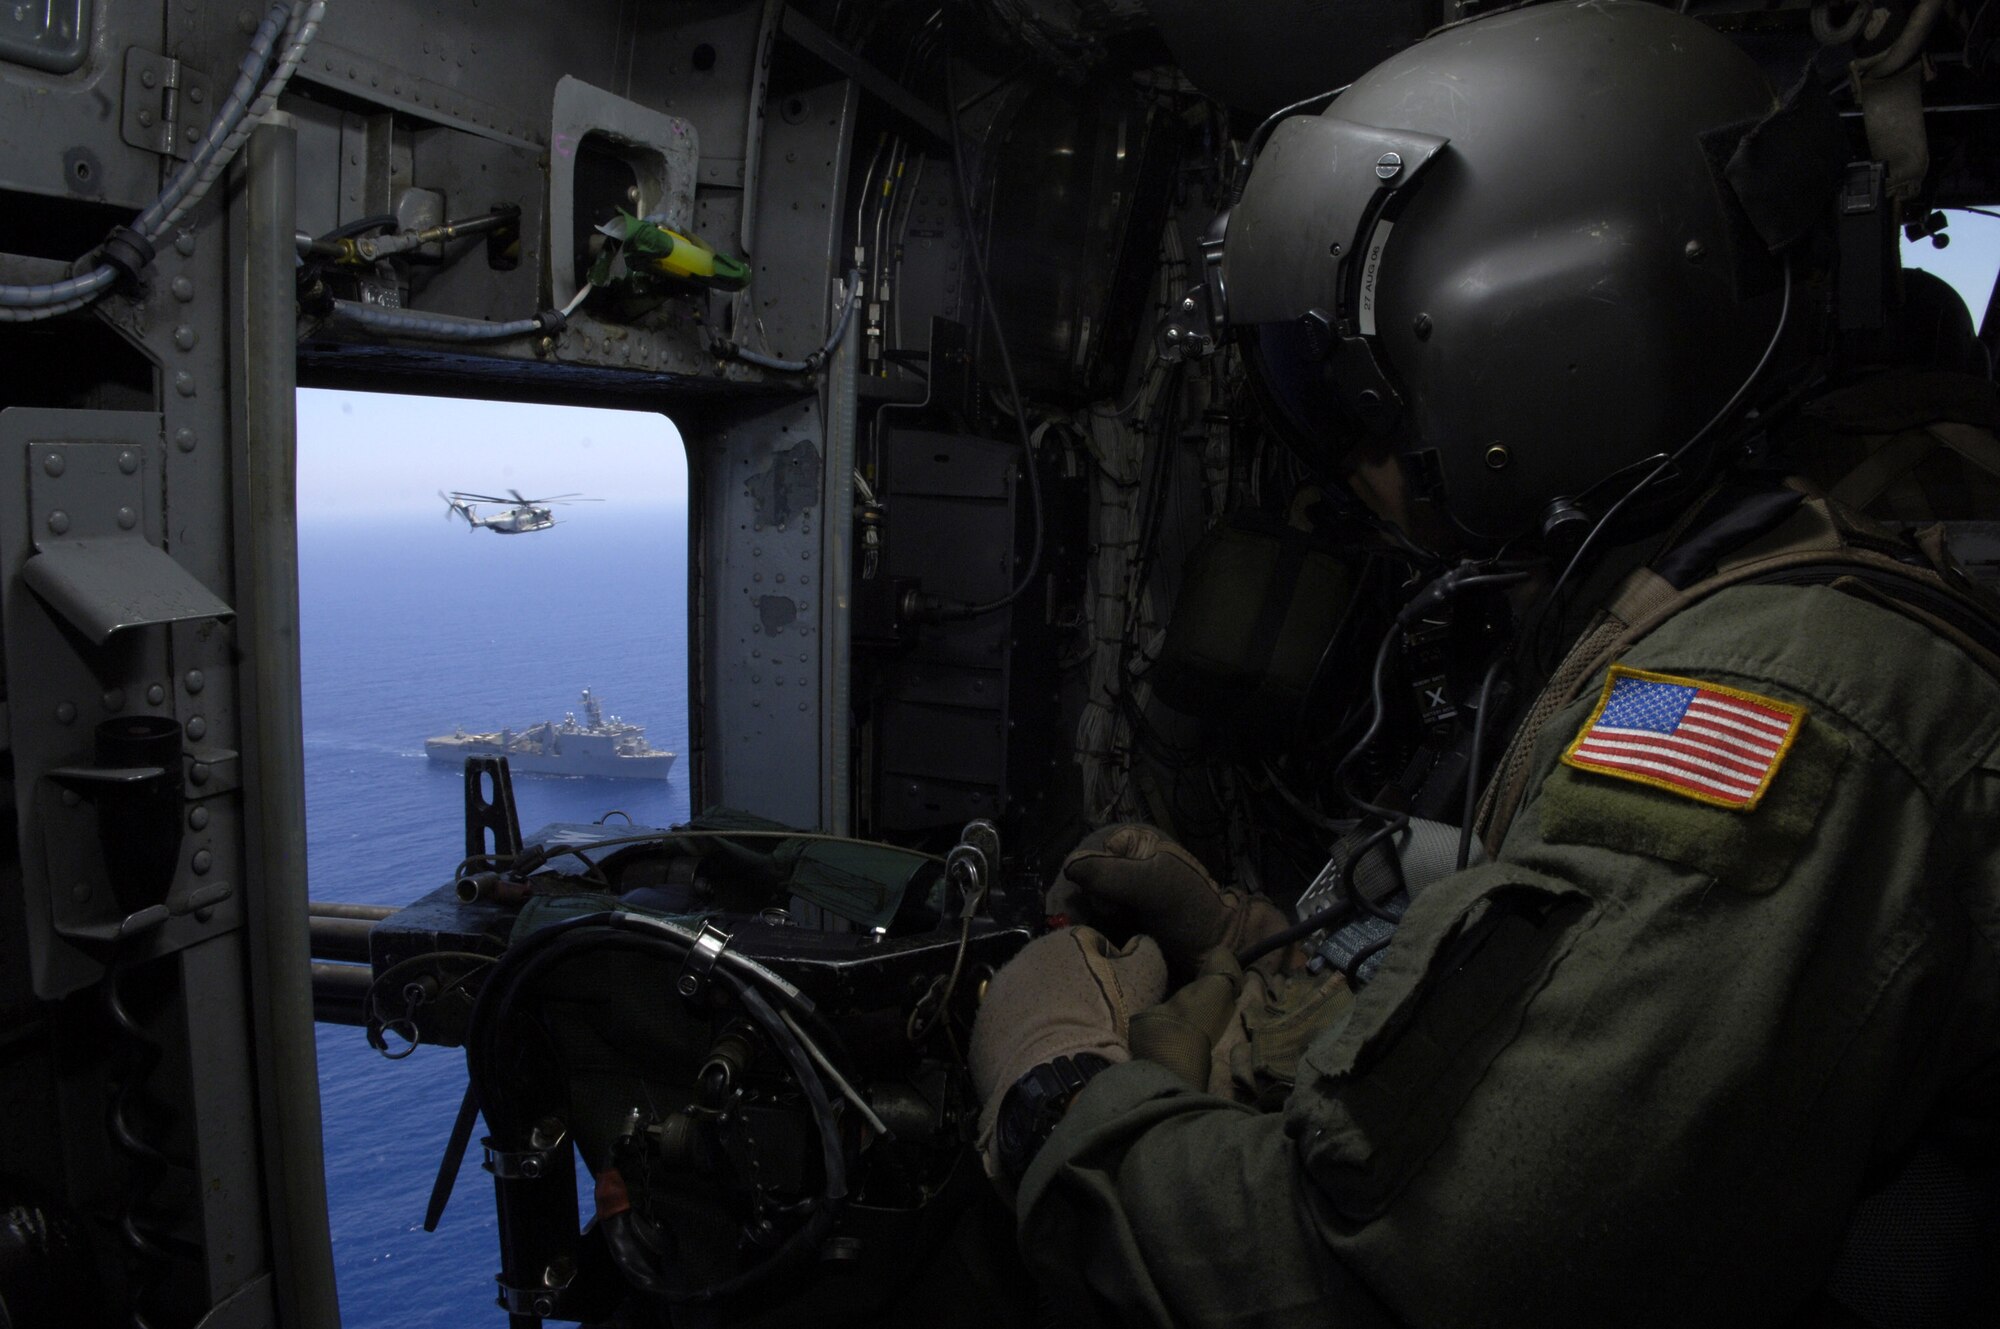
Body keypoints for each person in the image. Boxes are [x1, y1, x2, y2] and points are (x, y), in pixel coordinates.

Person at [967, 3, 2000, 1326]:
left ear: (1541, 352)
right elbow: (1547, 1005)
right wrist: (1252, 939)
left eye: (1367, 385)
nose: (1348, 449)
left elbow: (1378, 1276)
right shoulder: (1716, 582)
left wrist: (1053, 1091)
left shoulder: (1780, 706)